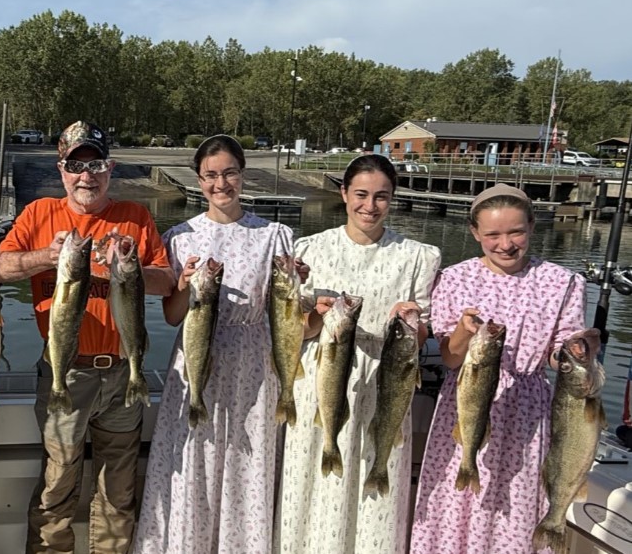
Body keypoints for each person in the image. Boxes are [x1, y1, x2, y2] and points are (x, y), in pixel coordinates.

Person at [0, 120, 174, 554]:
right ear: (62, 170)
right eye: (76, 166)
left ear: (109, 168)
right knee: (57, 482)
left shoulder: (135, 217)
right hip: (64, 372)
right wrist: (47, 256)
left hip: (120, 372)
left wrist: (126, 266)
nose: (86, 175)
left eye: (95, 164)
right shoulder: (39, 214)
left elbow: (167, 281)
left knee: (119, 489)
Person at [133, 135, 297, 553]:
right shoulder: (181, 235)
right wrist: (184, 285)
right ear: (199, 180)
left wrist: (298, 285)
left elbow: (285, 313)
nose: (220, 183)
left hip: (253, 366)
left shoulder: (275, 235)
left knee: (247, 465)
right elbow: (172, 316)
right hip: (194, 360)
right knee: (192, 462)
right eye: (211, 175)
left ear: (242, 174)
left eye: (229, 173)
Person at [410, 184, 593, 553]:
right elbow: (449, 359)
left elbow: (556, 358)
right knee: (457, 505)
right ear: (475, 233)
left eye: (516, 232)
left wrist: (576, 351)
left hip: (527, 412)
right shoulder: (454, 277)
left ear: (532, 227)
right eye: (492, 234)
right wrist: (462, 331)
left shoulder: (565, 281)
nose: (505, 244)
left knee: (515, 510)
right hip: (465, 404)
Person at [274, 154, 441, 554]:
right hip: (325, 372)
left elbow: (418, 341)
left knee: (376, 472)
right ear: (344, 193)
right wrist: (313, 313)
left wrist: (413, 324)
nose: (370, 206)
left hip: (387, 380)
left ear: (393, 199)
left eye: (381, 196)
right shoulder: (309, 249)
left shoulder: (420, 256)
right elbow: (299, 332)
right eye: (361, 194)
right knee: (314, 478)